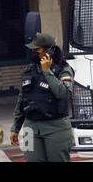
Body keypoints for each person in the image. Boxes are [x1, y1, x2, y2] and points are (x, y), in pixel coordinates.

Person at [10, 32, 75, 162]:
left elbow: (63, 93)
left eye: (37, 50)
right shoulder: (29, 70)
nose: (34, 52)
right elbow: (22, 100)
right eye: (32, 49)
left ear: (50, 51)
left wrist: (47, 72)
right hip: (30, 128)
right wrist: (15, 128)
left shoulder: (64, 69)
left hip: (56, 128)